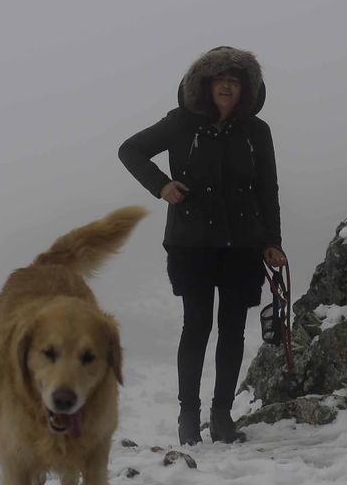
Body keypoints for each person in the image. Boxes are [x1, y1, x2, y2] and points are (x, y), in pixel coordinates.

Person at [119, 46, 287, 445]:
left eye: (234, 80)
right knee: (196, 327)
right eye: (219, 79)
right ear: (205, 85)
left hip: (242, 246)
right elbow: (130, 150)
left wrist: (272, 241)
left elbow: (268, 188)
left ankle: (222, 418)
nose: (226, 86)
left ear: (246, 88)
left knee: (232, 331)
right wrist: (161, 185)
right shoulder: (180, 123)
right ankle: (188, 419)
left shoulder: (257, 131)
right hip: (191, 245)